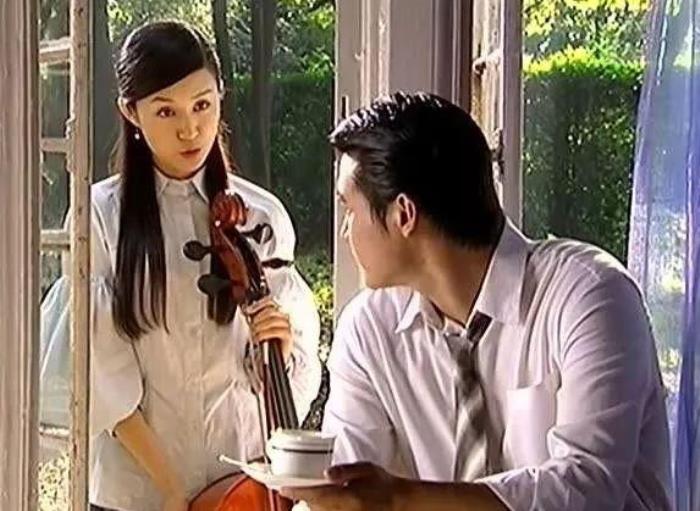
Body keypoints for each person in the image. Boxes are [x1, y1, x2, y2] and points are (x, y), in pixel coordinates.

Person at [282, 92, 672, 511]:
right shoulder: (369, 328)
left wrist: (399, 498)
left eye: (349, 209)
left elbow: (587, 491)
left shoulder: (589, 295)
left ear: (404, 215)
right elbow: (347, 488)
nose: (345, 231)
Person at [41, 20, 321, 511]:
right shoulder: (99, 218)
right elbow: (103, 377)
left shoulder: (261, 217)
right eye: (165, 110)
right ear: (131, 112)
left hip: (240, 493)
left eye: (202, 105)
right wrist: (174, 492)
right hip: (138, 494)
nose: (190, 129)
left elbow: (284, 384)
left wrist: (277, 350)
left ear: (220, 98)